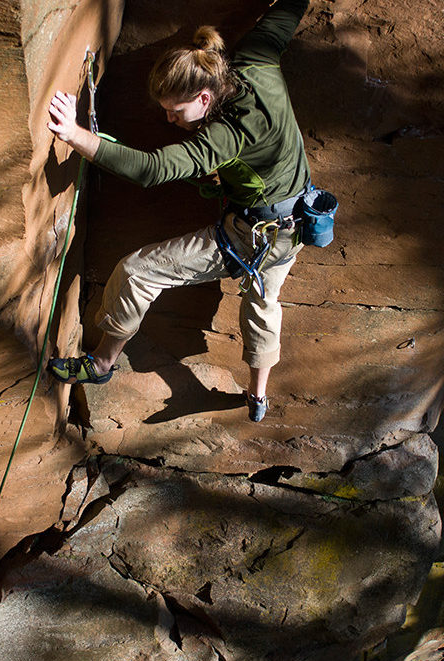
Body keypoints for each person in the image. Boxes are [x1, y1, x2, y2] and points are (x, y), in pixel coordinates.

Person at [47, 0, 311, 422]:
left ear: (205, 98)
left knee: (137, 271)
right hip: (294, 223)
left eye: (176, 110)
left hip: (252, 236)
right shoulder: (256, 58)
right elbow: (288, 11)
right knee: (263, 302)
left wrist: (77, 137)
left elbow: (153, 169)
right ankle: (258, 395)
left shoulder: (225, 137)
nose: (170, 119)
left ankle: (99, 366)